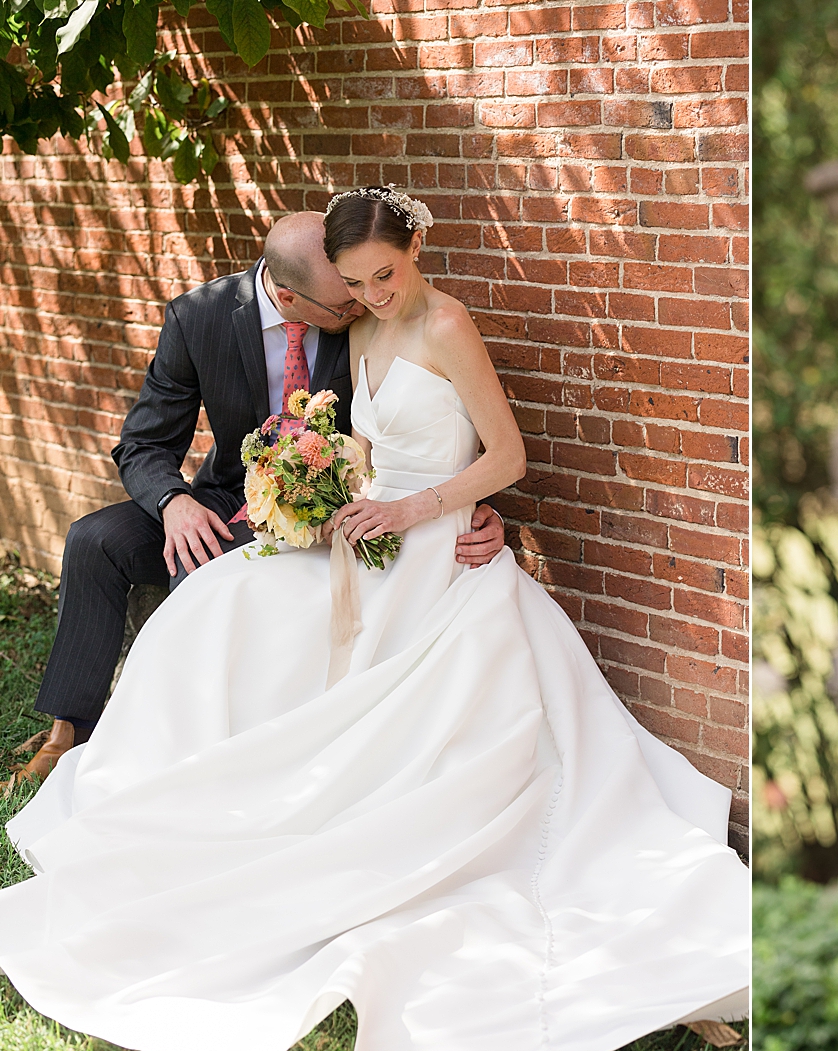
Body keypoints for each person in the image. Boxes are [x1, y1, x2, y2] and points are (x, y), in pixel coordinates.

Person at [0, 186, 749, 1051]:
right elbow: (254, 444)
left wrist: (461, 510)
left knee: (330, 651)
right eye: (353, 285)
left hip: (426, 541)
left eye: (380, 277)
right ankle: (136, 758)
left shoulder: (443, 325)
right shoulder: (277, 325)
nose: (369, 297)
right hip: (331, 530)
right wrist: (227, 501)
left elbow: (496, 451)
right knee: (200, 608)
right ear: (308, 292)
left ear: (412, 247)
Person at [9, 211, 507, 782]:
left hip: (325, 512)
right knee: (95, 540)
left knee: (203, 575)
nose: (358, 304)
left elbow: (426, 424)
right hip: (223, 498)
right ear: (291, 298)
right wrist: (175, 503)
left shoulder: (367, 315)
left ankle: (187, 748)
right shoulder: (199, 318)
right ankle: (68, 733)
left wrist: (469, 505)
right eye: (343, 299)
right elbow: (142, 443)